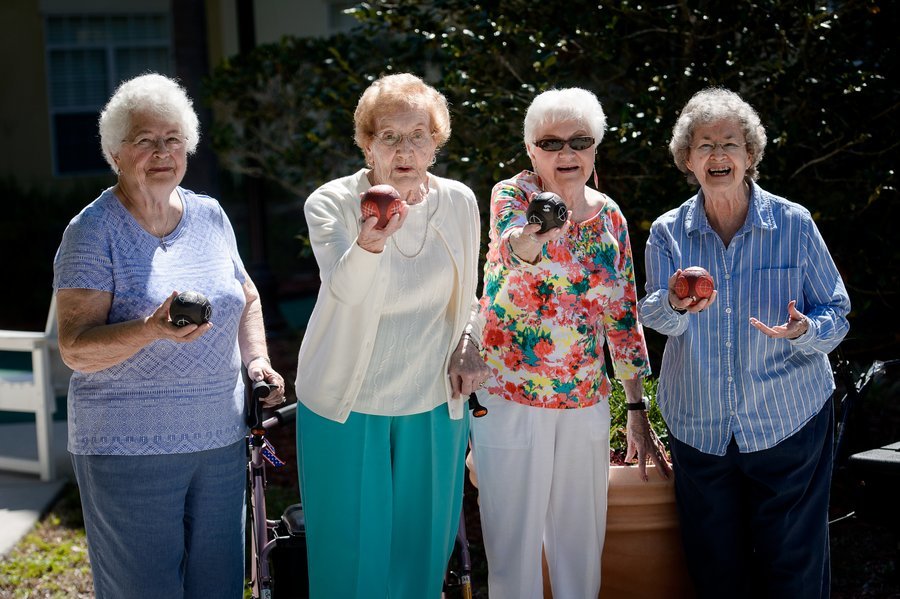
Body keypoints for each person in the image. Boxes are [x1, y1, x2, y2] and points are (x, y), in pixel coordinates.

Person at [53, 73, 285, 599]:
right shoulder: (92, 231)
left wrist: (257, 363)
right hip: (127, 448)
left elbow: (246, 296)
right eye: (145, 141)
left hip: (220, 443)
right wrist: (148, 330)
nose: (162, 152)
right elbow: (76, 349)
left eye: (173, 139)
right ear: (116, 153)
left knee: (219, 587)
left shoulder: (209, 215)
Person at [638, 87, 851, 598]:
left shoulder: (794, 225)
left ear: (749, 155)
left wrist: (806, 330)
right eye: (704, 145)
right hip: (701, 421)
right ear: (687, 159)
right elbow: (653, 315)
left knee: (794, 568)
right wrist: (674, 305)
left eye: (729, 144)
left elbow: (837, 312)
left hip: (788, 419)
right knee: (716, 570)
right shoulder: (669, 233)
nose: (717, 155)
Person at [293, 72, 489, 599]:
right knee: (350, 561)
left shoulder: (460, 202)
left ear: (437, 140)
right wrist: (371, 242)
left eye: (418, 135)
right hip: (347, 402)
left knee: (422, 556)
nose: (405, 150)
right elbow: (345, 291)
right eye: (390, 136)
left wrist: (471, 343)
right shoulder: (333, 203)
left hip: (431, 401)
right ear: (366, 143)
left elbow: (472, 297)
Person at [469, 87, 670, 599]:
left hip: (585, 398)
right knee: (513, 548)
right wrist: (542, 225)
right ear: (531, 150)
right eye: (551, 142)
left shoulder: (612, 218)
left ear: (595, 147)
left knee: (581, 547)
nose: (566, 153)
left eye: (579, 141)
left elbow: (624, 313)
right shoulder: (510, 196)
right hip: (509, 394)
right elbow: (516, 250)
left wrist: (636, 406)